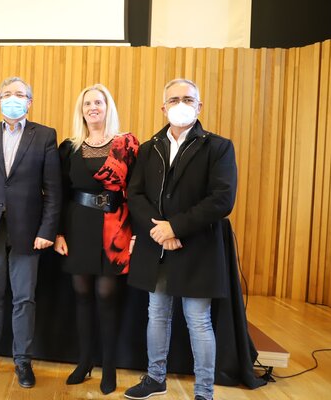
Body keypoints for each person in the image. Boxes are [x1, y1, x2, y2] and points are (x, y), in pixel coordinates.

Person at [124, 79, 238, 400]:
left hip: (198, 246)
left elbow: (222, 199)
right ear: (163, 108)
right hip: (157, 246)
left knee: (198, 321)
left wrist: (175, 228)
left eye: (188, 99)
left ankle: (204, 392)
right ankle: (155, 378)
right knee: (157, 314)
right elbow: (135, 194)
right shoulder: (149, 148)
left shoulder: (218, 147)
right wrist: (160, 231)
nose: (181, 104)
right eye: (173, 99)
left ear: (199, 106)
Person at [0, 77, 61, 388]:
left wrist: (47, 229)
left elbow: (54, 189)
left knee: (24, 297)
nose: (12, 98)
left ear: (29, 102)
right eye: (7, 94)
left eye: (19, 94)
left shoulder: (44, 135)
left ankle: (23, 361)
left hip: (28, 230)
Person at [53, 84, 138, 394]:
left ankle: (109, 367)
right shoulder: (69, 147)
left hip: (114, 229)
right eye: (87, 103)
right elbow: (60, 193)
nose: (93, 107)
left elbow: (136, 191)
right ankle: (85, 361)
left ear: (107, 107)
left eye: (98, 102)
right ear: (82, 110)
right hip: (77, 227)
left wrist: (137, 233)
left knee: (106, 295)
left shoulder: (126, 144)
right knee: (82, 295)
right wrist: (58, 232)